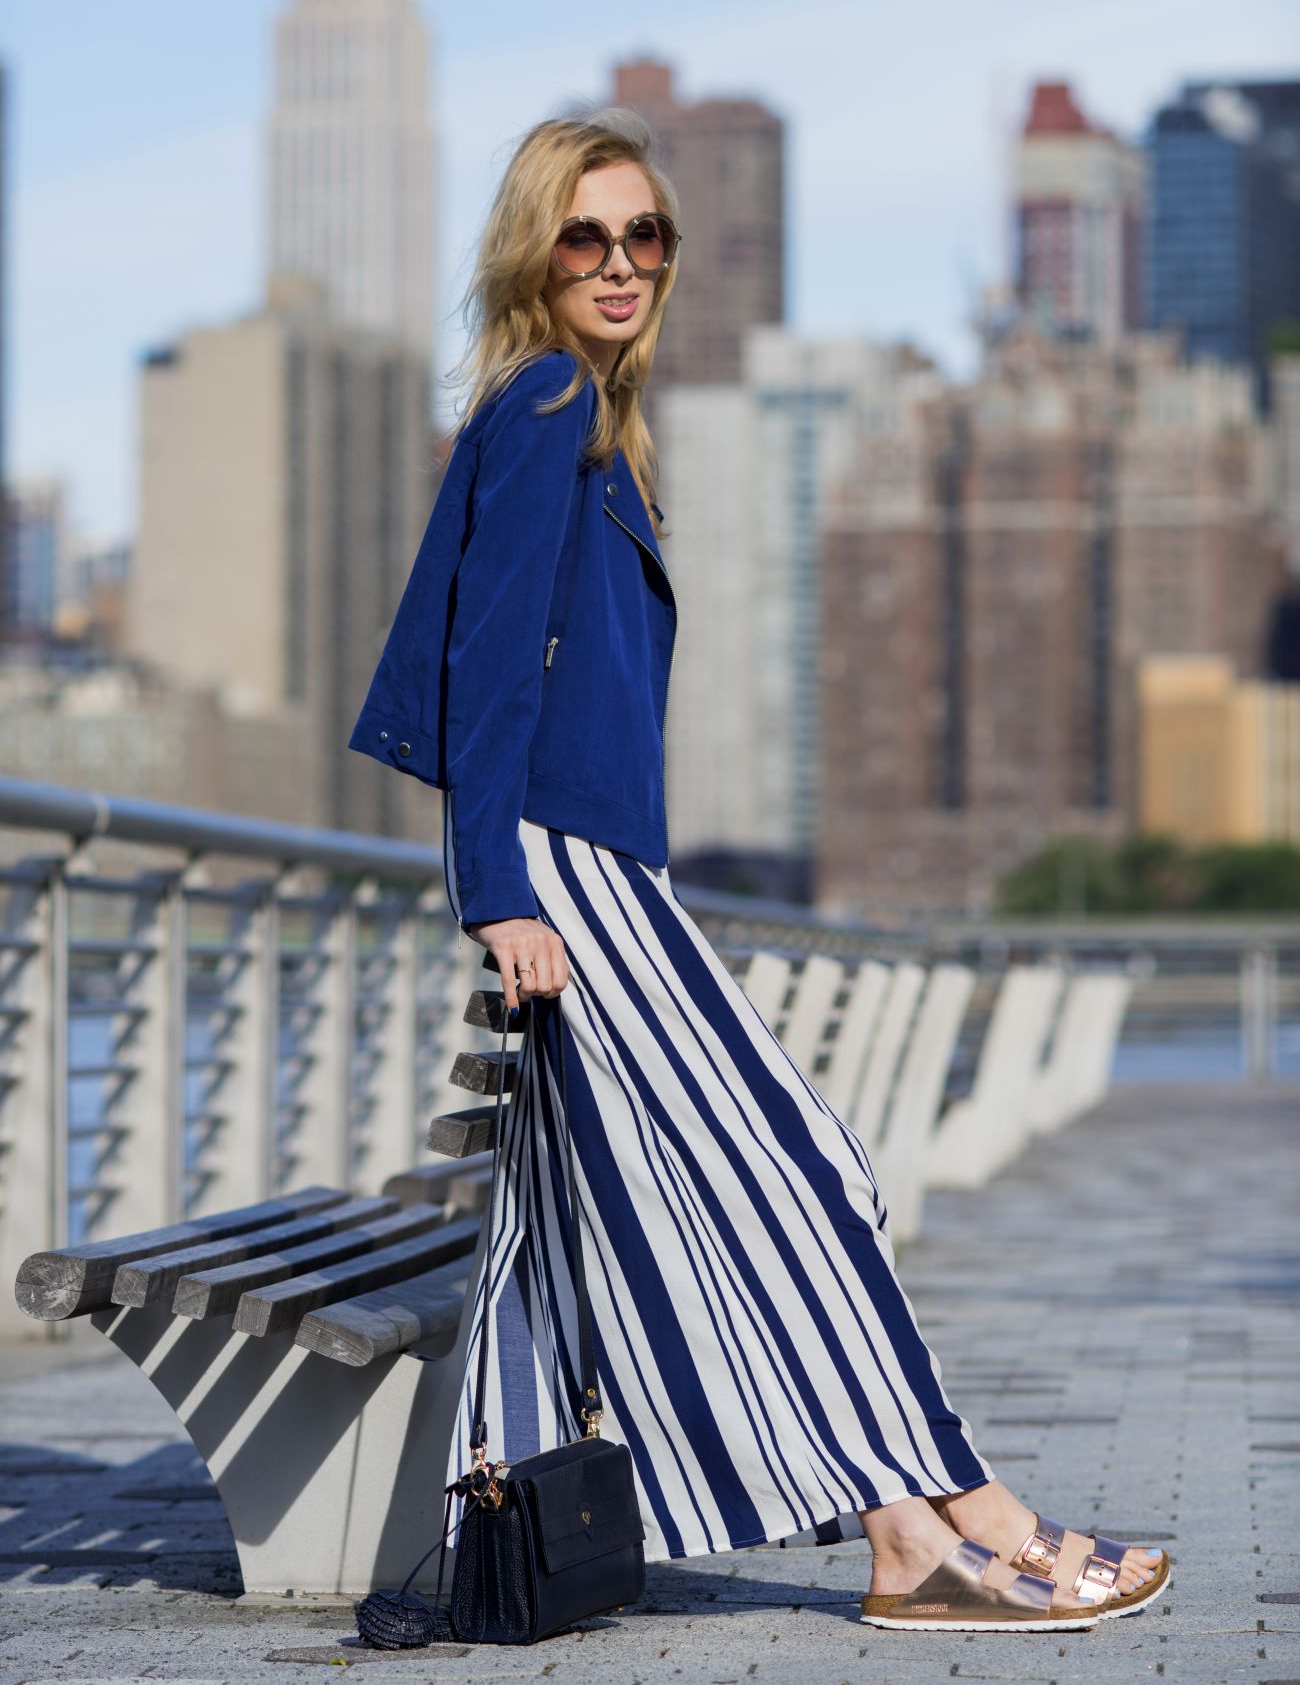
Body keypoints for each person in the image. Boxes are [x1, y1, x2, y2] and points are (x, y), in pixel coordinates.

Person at [348, 108, 1169, 1633]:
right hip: (570, 873)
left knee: (675, 1206)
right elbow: (486, 669)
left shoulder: (588, 419)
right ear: (534, 256)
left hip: (597, 864)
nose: (619, 264)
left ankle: (908, 1540)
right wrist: (500, 890)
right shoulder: (546, 404)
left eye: (644, 236)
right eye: (584, 237)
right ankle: (977, 1515)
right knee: (806, 1171)